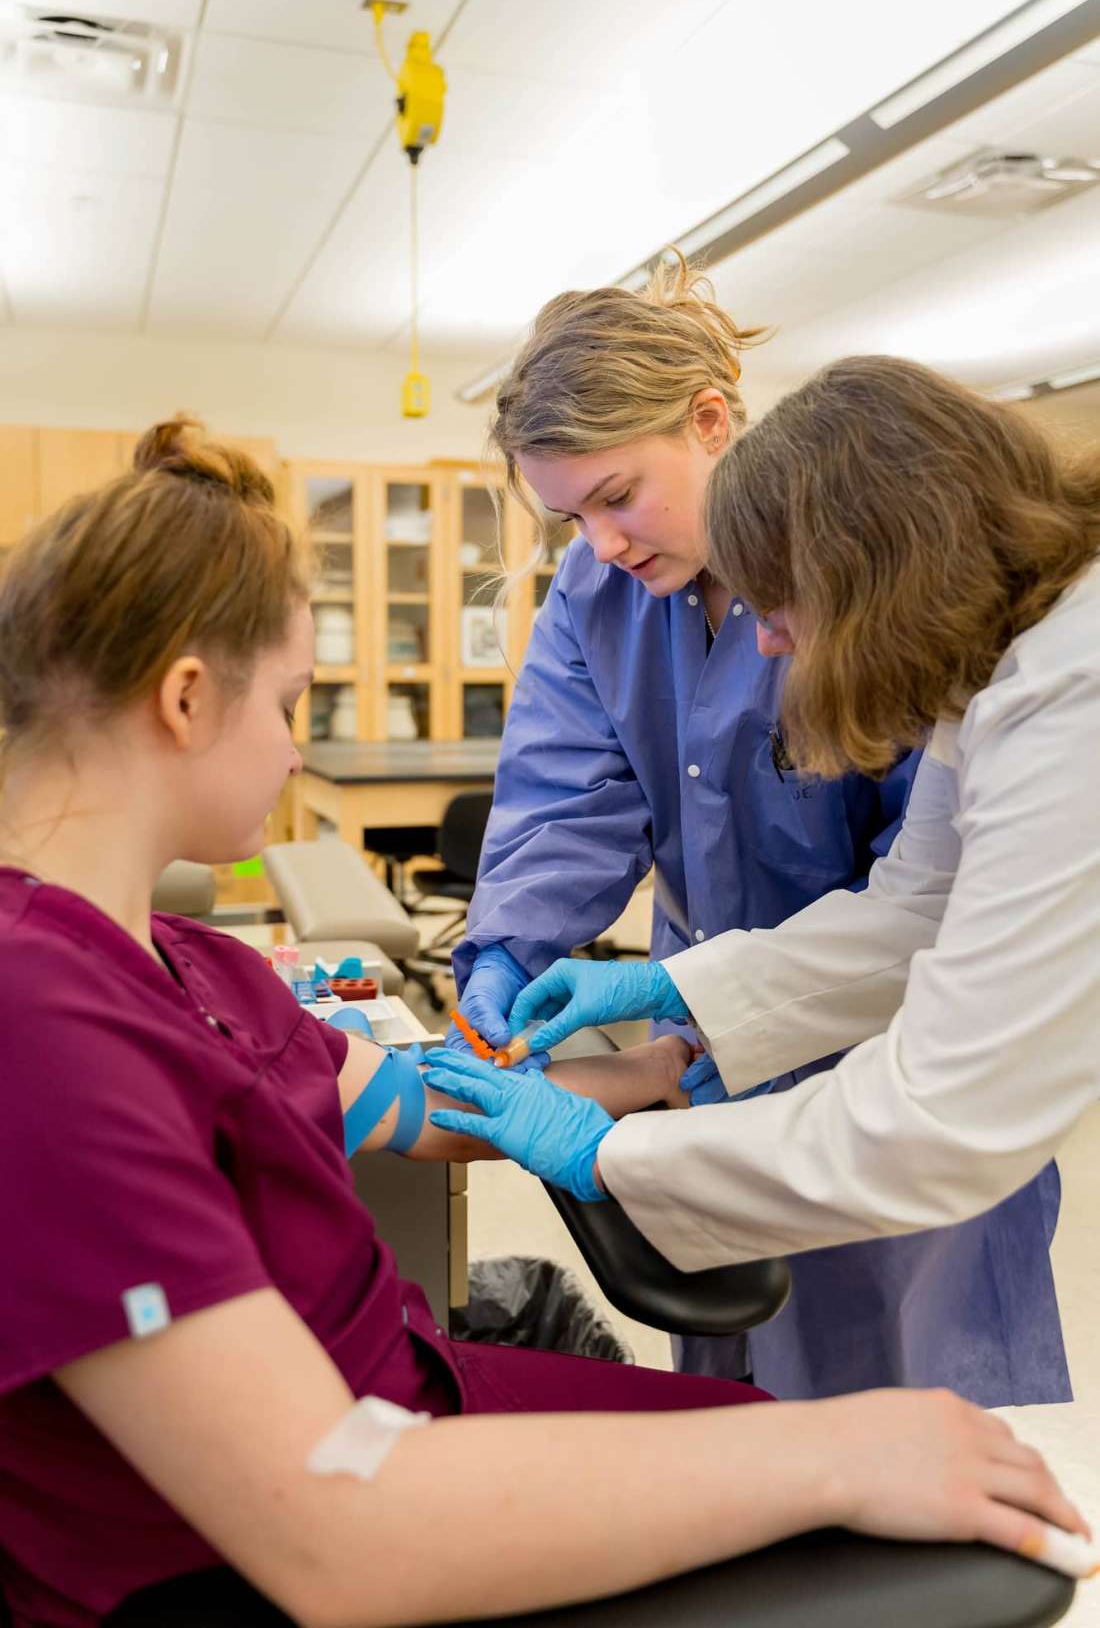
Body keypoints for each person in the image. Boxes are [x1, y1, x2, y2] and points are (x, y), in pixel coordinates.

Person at [1, 420, 1084, 1626]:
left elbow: (415, 1094)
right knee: (842, 1485)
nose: (300, 749)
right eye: (293, 702)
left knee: (828, 1457)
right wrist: (832, 1451)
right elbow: (333, 1520)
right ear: (188, 698)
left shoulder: (175, 957)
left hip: (409, 1404)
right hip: (341, 1498)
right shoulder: (39, 1027)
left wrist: (656, 1051)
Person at [443, 257, 1066, 1409]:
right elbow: (566, 802)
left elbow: (936, 1000)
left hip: (892, 1046)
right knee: (749, 1404)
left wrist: (634, 1107)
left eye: (617, 496)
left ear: (710, 420)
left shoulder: (989, 655)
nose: (604, 544)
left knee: (927, 1397)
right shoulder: (600, 595)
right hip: (735, 1017)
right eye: (570, 515)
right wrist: (547, 967)